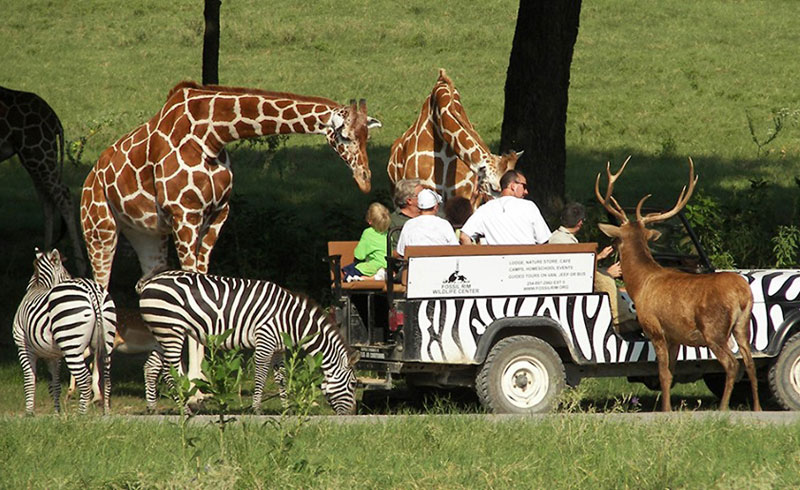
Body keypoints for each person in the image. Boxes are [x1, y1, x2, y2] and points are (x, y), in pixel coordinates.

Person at [548, 202, 628, 331]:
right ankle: (622, 319)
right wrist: (608, 273)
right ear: (580, 223)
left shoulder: (560, 237)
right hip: (571, 285)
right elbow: (575, 270)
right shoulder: (563, 241)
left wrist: (600, 256)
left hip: (570, 281)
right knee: (605, 280)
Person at [459, 169, 551, 245]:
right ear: (513, 186)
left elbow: (464, 237)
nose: (526, 191)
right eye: (524, 186)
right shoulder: (529, 206)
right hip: (525, 264)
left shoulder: (486, 209)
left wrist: (475, 260)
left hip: (498, 264)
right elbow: (544, 241)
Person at [396, 189, 458, 256]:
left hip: (415, 265)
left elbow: (401, 251)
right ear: (436, 207)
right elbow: (455, 249)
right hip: (441, 265)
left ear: (419, 207)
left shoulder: (409, 224)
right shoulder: (444, 224)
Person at [342, 202, 391, 281]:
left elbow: (359, 255)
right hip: (387, 266)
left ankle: (366, 278)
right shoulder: (388, 233)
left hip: (373, 267)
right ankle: (377, 277)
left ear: (370, 220)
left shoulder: (368, 233)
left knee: (347, 270)